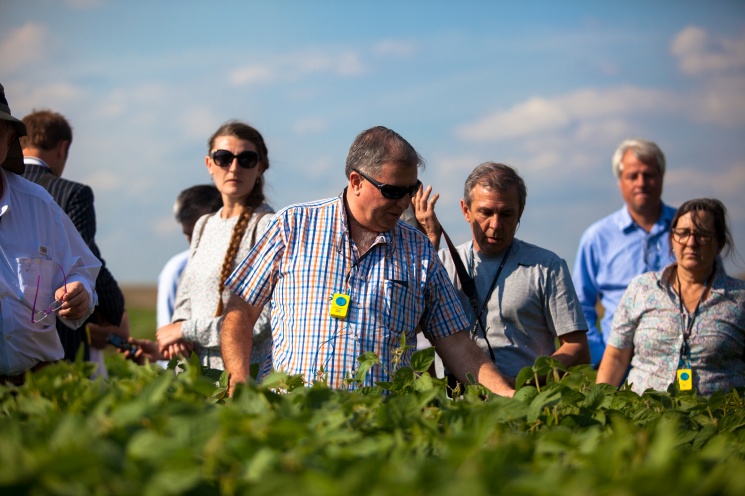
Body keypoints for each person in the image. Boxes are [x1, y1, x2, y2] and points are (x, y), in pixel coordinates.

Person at [221, 126, 515, 396]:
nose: (403, 203)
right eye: (393, 191)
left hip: (380, 428)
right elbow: (241, 308)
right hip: (296, 419)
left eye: (410, 191)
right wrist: (239, 378)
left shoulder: (418, 249)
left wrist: (507, 396)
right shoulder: (294, 225)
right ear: (356, 181)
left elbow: (456, 343)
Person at [413, 162, 590, 382]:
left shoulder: (546, 266)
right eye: (486, 212)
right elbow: (411, 327)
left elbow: (577, 348)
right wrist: (428, 245)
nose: (496, 225)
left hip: (526, 401)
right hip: (456, 406)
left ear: (520, 213)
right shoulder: (441, 262)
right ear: (466, 210)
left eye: (506, 214)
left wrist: (521, 385)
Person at [0, 83, 100, 385]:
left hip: (36, 386)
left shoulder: (38, 202)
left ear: (8, 139)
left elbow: (81, 271)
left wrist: (80, 294)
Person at [154, 121, 274, 371]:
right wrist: (180, 336)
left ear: (261, 167)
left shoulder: (268, 226)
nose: (234, 167)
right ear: (209, 164)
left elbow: (264, 321)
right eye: (223, 158)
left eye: (247, 159)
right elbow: (184, 301)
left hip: (241, 379)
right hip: (194, 377)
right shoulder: (204, 225)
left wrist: (185, 330)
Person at [596, 199, 745, 396]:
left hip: (715, 420)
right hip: (642, 418)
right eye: (683, 233)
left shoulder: (739, 299)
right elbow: (616, 357)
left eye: (702, 235)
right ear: (672, 240)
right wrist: (599, 406)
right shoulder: (642, 288)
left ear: (719, 244)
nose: (691, 242)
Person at [20, 109, 128, 379]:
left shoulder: (8, 187)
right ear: (63, 147)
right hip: (57, 341)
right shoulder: (71, 193)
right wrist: (114, 309)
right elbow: (86, 258)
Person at [573, 138, 676, 366]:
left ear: (661, 177)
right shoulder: (598, 237)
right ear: (620, 182)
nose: (641, 183)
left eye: (648, 174)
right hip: (620, 368)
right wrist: (600, 355)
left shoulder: (688, 229)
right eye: (632, 176)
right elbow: (580, 305)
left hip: (682, 364)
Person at [156, 185, 222, 328]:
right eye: (189, 235)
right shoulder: (176, 270)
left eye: (203, 234)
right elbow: (168, 332)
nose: (196, 243)